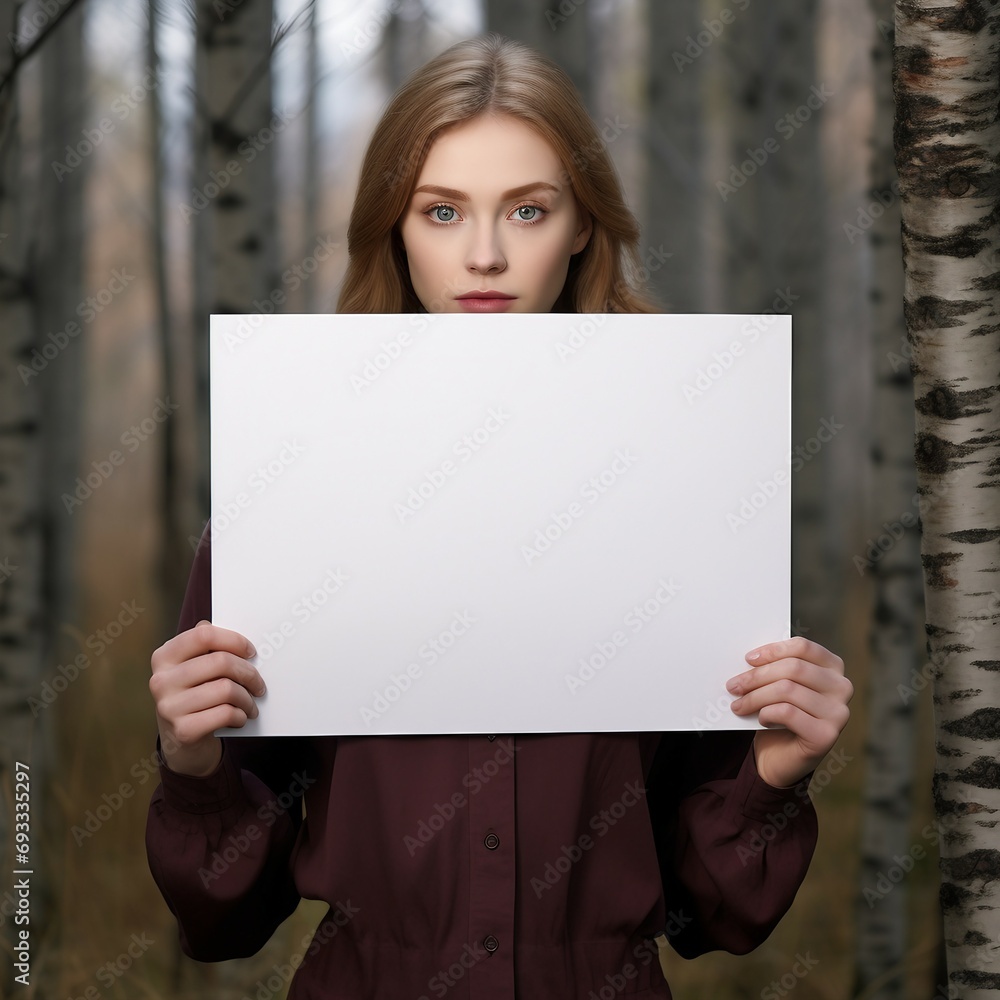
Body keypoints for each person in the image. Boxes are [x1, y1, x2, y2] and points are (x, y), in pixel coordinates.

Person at [145, 33, 853, 999]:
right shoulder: (293, 489)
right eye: (442, 211)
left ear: (581, 228)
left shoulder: (689, 484)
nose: (484, 254)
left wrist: (771, 775)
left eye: (527, 208)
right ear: (395, 229)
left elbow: (711, 916)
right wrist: (195, 769)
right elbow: (226, 913)